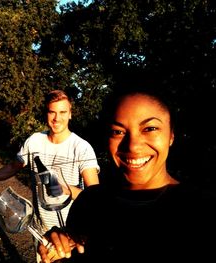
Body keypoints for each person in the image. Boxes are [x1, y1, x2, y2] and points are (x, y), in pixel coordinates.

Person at [38, 88, 216, 262]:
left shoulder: (200, 210)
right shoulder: (90, 203)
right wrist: (57, 250)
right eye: (118, 132)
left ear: (171, 135)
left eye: (150, 128)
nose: (132, 146)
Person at [0, 90, 100, 257]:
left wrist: (65, 189)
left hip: (70, 233)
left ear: (70, 114)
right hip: (41, 230)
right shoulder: (34, 141)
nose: (56, 118)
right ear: (46, 114)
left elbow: (95, 198)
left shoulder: (81, 148)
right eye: (52, 112)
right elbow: (13, 167)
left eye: (62, 112)